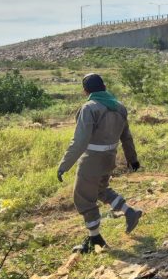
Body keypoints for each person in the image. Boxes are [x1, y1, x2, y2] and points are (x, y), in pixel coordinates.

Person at [57, 73, 142, 254]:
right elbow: (126, 137)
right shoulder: (119, 107)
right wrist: (132, 159)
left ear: (85, 91)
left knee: (83, 198)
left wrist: (64, 165)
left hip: (92, 160)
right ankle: (129, 212)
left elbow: (80, 141)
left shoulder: (89, 107)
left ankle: (95, 239)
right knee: (101, 191)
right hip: (109, 158)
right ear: (104, 86)